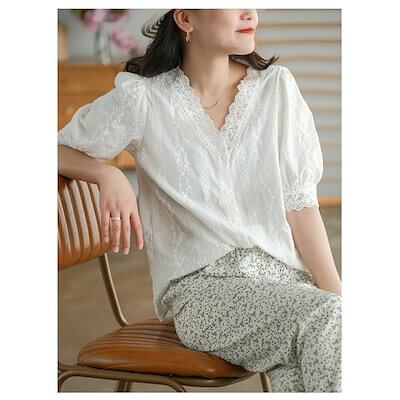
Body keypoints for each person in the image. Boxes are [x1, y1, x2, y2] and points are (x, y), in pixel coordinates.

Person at [58, 9, 342, 393]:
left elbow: (299, 204)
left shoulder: (275, 89)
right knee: (325, 319)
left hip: (282, 280)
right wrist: (107, 174)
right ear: (186, 19)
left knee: (327, 329)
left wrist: (337, 295)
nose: (249, 12)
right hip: (202, 291)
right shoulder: (144, 98)